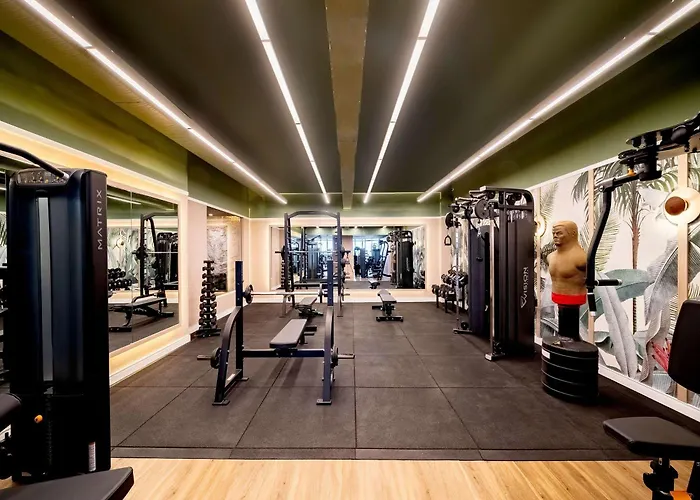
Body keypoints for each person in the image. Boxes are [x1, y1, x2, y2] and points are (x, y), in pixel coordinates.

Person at [547, 221, 586, 340]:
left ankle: (571, 342)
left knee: (570, 338)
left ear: (572, 234)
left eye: (559, 233)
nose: (555, 236)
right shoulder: (550, 257)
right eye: (554, 233)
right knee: (563, 338)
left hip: (574, 299)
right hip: (558, 298)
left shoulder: (581, 258)